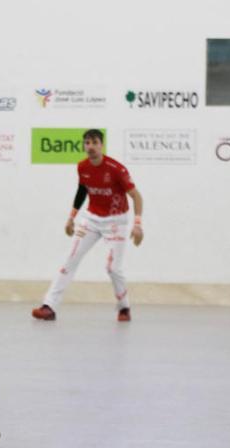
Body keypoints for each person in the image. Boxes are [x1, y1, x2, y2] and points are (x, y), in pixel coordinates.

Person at [31, 129, 144, 322]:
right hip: (91, 220)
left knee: (112, 268)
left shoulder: (116, 169)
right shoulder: (82, 167)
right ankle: (49, 306)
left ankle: (124, 307)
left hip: (116, 221)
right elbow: (82, 191)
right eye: (87, 143)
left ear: (101, 145)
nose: (90, 147)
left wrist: (138, 224)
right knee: (71, 258)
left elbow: (136, 196)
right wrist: (71, 218)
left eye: (94, 142)